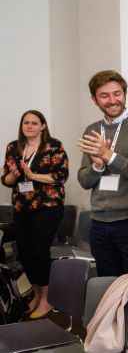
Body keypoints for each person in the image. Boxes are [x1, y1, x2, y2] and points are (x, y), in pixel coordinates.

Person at [77, 70, 128, 280]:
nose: (113, 100)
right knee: (108, 287)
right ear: (94, 100)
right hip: (99, 223)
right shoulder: (92, 130)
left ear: (125, 94)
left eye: (117, 93)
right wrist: (97, 166)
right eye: (105, 95)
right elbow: (84, 181)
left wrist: (109, 156)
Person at [1, 110, 69, 319]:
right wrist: (13, 176)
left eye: (34, 123)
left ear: (43, 126)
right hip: (22, 208)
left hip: (48, 207)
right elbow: (6, 180)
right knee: (25, 253)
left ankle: (47, 298)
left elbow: (61, 176)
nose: (29, 126)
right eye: (26, 123)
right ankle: (36, 293)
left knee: (40, 252)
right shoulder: (14, 147)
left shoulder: (54, 146)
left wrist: (32, 175)